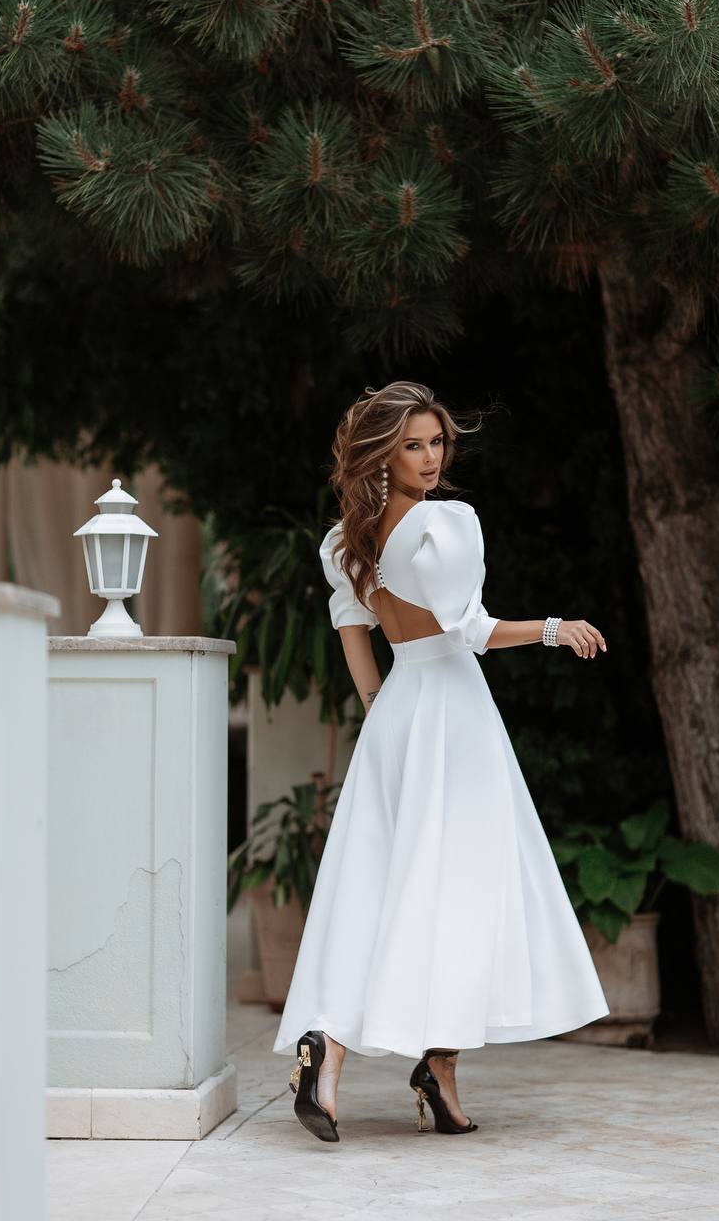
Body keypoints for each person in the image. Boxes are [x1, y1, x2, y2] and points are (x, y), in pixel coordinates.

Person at [272, 381, 610, 1142]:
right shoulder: (443, 526)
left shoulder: (343, 543)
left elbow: (357, 642)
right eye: (414, 445)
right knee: (464, 885)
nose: (430, 458)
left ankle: (330, 1051)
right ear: (382, 454)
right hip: (452, 714)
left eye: (437, 443)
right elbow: (471, 631)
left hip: (396, 711)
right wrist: (557, 628)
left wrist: (387, 720)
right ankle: (435, 1064)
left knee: (380, 883)